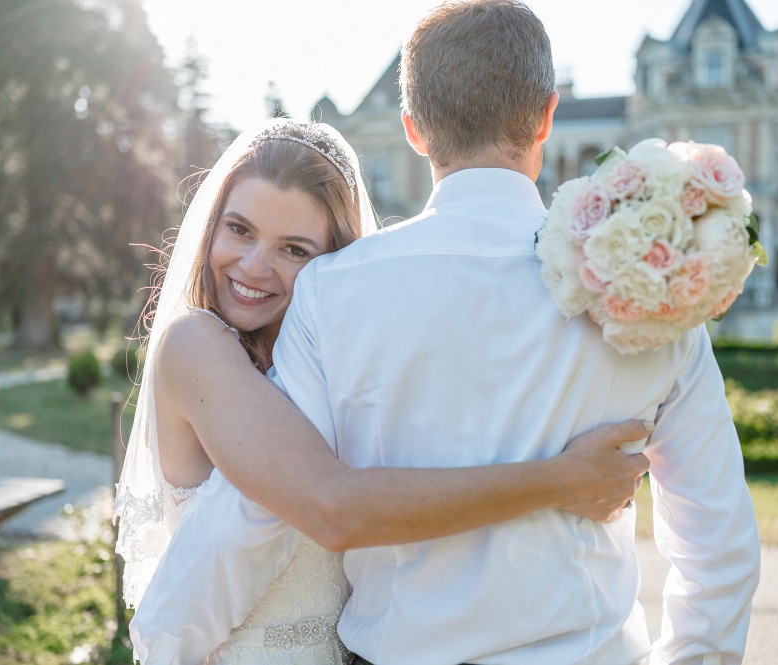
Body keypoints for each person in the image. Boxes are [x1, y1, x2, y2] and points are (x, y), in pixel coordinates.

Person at [132, 1, 761, 661]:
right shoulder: (649, 287)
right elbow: (717, 537)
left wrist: (165, 638)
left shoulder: (332, 290)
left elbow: (257, 511)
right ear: (548, 113)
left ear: (413, 129)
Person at [117, 117, 653, 664]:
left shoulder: (335, 365)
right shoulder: (196, 344)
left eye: (294, 250)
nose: (255, 266)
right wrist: (559, 481)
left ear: (335, 265)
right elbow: (331, 506)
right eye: (239, 230)